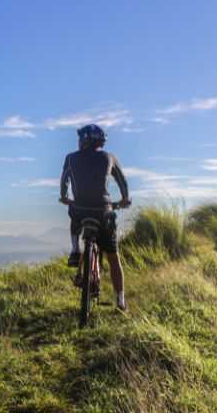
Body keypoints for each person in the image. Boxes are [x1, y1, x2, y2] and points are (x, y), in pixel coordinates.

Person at [59, 124, 131, 310]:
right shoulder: (110, 157)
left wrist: (65, 197)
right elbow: (122, 181)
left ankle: (75, 250)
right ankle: (121, 302)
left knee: (74, 213)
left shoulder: (70, 158)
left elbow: (64, 180)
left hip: (80, 209)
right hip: (103, 211)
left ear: (84, 140)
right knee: (114, 257)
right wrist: (124, 199)